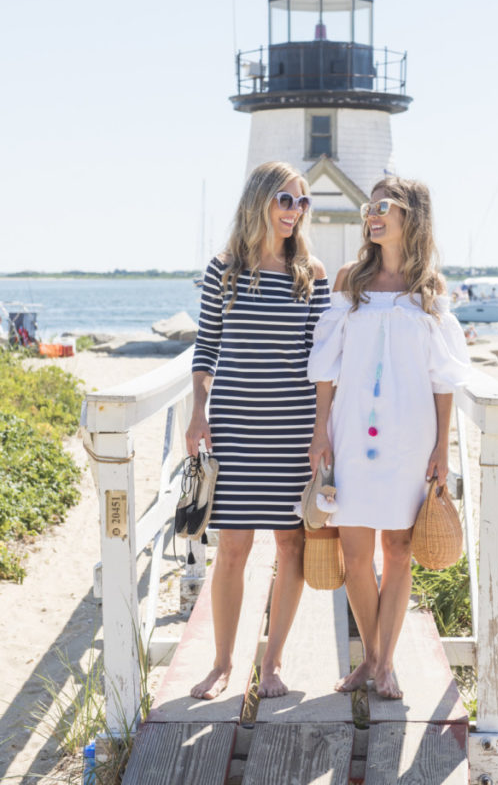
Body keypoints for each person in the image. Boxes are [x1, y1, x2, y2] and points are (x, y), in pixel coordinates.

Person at [307, 175, 469, 699]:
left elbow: (444, 378)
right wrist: (320, 430)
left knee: (398, 549)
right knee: (356, 553)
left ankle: (383, 663)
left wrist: (442, 446)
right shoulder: (349, 280)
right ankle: (373, 661)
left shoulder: (430, 289)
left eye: (383, 206)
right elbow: (326, 366)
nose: (372, 215)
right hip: (351, 431)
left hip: (411, 435)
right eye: (368, 207)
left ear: (410, 216)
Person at [186, 160, 329, 700]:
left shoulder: (310, 274)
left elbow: (323, 364)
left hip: (292, 429)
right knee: (233, 549)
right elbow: (206, 350)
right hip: (235, 426)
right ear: (260, 201)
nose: (295, 211)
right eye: (285, 200)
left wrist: (321, 430)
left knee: (291, 545)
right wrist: (199, 412)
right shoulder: (223, 270)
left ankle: (271, 664)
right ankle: (223, 663)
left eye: (302, 202)